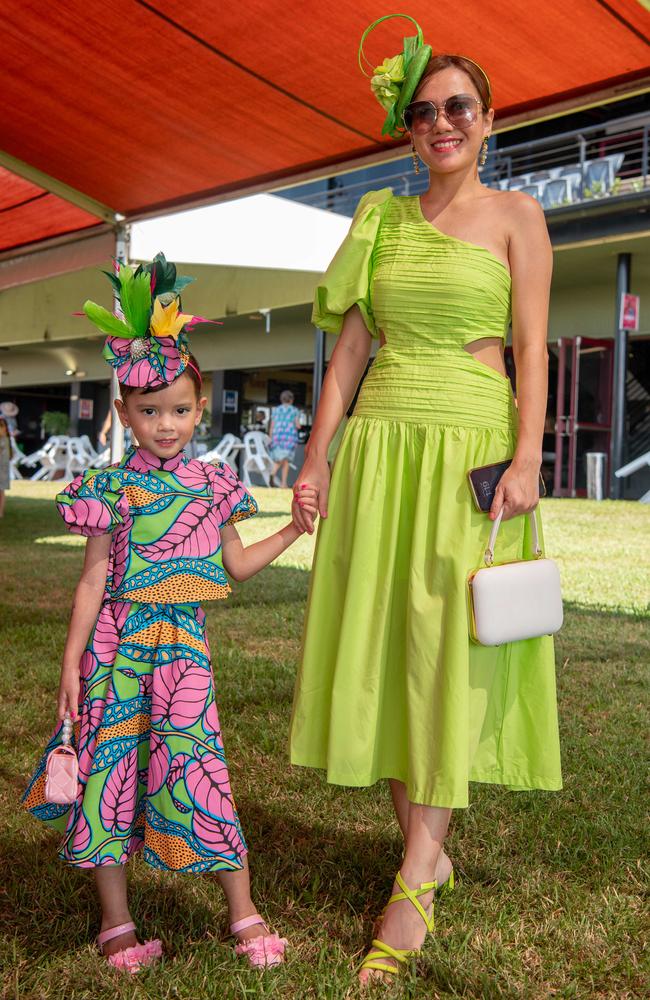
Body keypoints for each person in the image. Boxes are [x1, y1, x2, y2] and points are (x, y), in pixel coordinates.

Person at [290, 15, 562, 986]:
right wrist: (315, 459)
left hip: (471, 451)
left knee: (446, 645)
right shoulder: (377, 221)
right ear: (407, 133)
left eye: (456, 107)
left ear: (487, 120)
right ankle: (424, 852)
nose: (438, 122)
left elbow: (532, 350)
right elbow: (347, 357)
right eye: (421, 113)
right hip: (380, 448)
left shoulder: (518, 219)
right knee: (389, 646)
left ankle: (409, 891)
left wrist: (527, 453)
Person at [23, 254, 317, 974]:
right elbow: (94, 582)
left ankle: (243, 911)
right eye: (149, 411)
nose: (166, 424)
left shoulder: (214, 485)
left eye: (180, 410)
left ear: (200, 407)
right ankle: (116, 923)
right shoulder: (111, 488)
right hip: (115, 650)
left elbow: (235, 565)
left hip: (184, 655)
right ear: (123, 412)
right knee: (110, 771)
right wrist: (70, 661)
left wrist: (294, 529)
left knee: (198, 765)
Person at [268, 390, 300, 488]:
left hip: (277, 436)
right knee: (286, 459)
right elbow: (297, 425)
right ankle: (276, 475)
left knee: (282, 459)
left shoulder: (276, 410)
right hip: (289, 437)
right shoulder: (294, 410)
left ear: (282, 399)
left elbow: (272, 425)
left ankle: (282, 483)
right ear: (291, 400)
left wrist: (270, 437)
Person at [0, 416, 11, 516]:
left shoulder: (5, 439)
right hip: (3, 468)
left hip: (2, 469)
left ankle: (1, 512)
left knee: (1, 491)